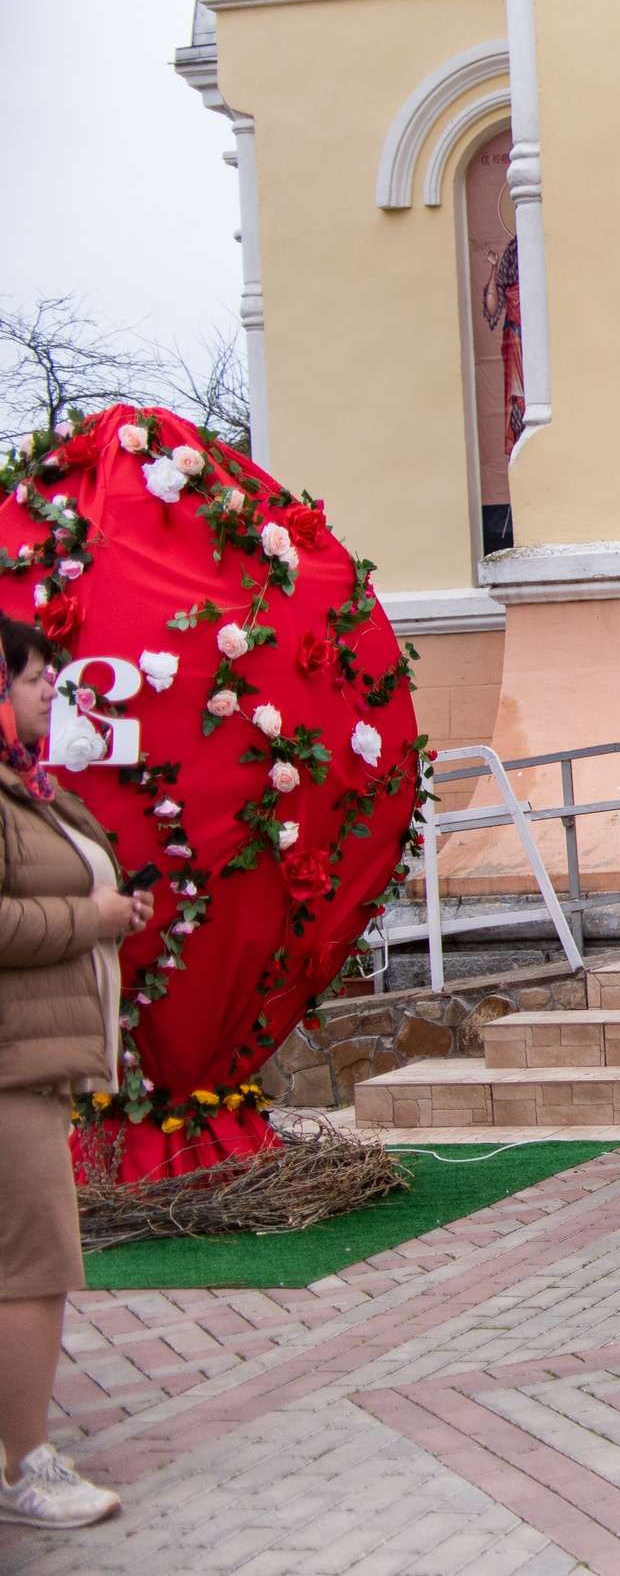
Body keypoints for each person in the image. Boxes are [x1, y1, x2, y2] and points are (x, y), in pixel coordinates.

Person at [0, 616, 151, 1530]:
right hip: (8, 1063)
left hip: (34, 1055)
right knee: (33, 1262)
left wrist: (110, 905)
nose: (48, 689)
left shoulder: (28, 784)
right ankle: (25, 1464)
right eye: (30, 678)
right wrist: (90, 916)